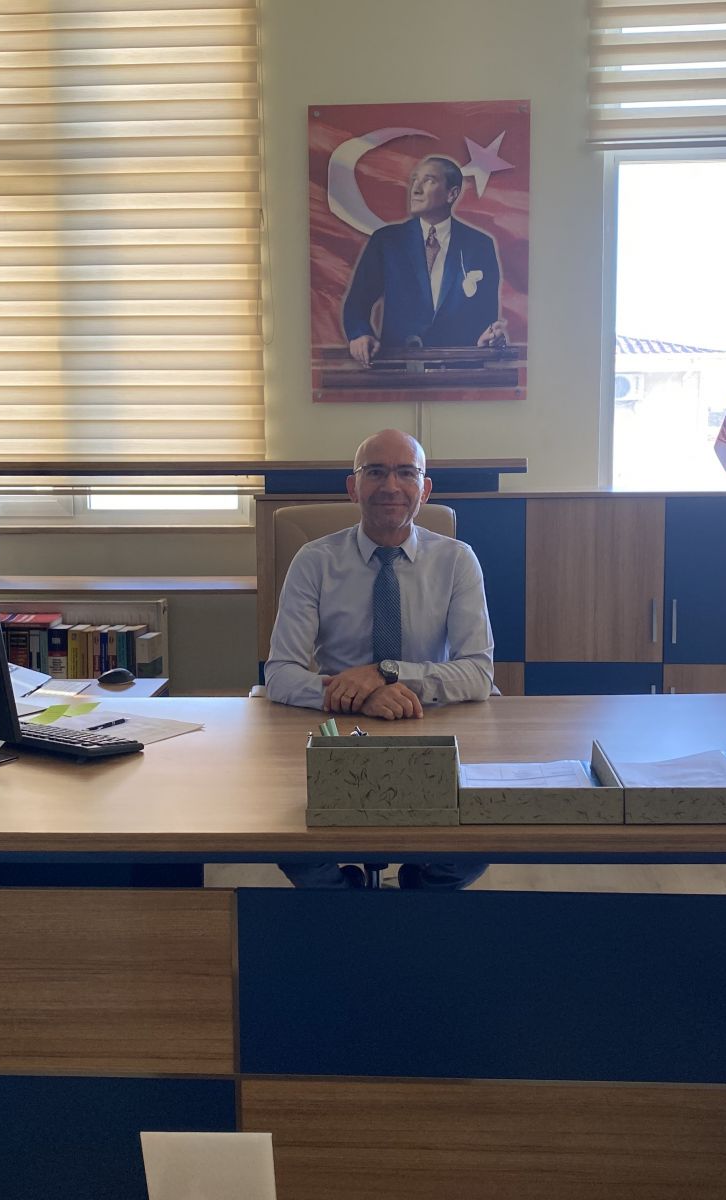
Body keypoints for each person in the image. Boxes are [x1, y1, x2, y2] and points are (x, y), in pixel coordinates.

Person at [265, 429, 493, 890]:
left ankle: (415, 896)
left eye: (406, 473)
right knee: (287, 840)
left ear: (424, 489)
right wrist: (359, 697)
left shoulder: (457, 560)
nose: (391, 486)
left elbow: (478, 672)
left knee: (478, 842)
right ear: (353, 487)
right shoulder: (314, 561)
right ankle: (348, 903)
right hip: (337, 732)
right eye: (376, 472)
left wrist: (386, 674)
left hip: (430, 724)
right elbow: (280, 673)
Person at [341, 156, 508, 365]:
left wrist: (488, 337)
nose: (415, 189)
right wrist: (360, 334)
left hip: (459, 371)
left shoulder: (479, 245)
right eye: (414, 180)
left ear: (452, 194)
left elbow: (486, 317)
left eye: (428, 180)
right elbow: (356, 303)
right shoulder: (387, 241)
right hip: (399, 369)